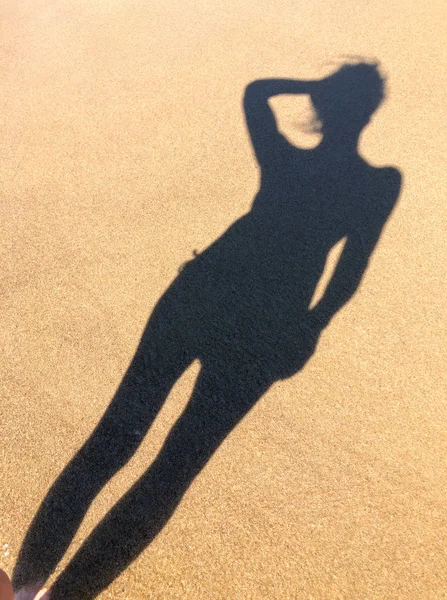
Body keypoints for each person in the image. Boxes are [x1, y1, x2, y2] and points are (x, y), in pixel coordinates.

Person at [13, 61, 401, 599]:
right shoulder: (377, 185)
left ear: (323, 107)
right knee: (172, 469)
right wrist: (311, 328)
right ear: (368, 112)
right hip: (268, 325)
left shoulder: (285, 159)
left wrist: (315, 88)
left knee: (114, 439)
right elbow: (349, 271)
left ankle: (28, 586)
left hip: (204, 292)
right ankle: (60, 595)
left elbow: (256, 91)